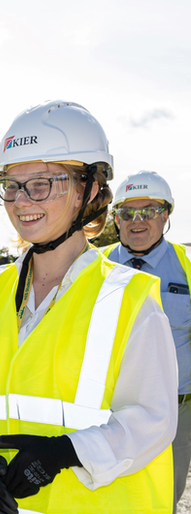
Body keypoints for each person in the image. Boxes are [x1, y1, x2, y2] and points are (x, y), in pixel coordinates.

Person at [0, 101, 177, 514]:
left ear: (88, 188)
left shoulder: (129, 297)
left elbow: (154, 420)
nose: (21, 200)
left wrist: (67, 452)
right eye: (11, 185)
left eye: (43, 183)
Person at [101, 170, 190, 510]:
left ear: (166, 214)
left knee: (163, 496)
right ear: (116, 219)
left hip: (176, 414)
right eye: (127, 213)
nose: (137, 222)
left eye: (149, 211)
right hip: (104, 410)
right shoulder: (93, 266)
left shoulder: (187, 267)